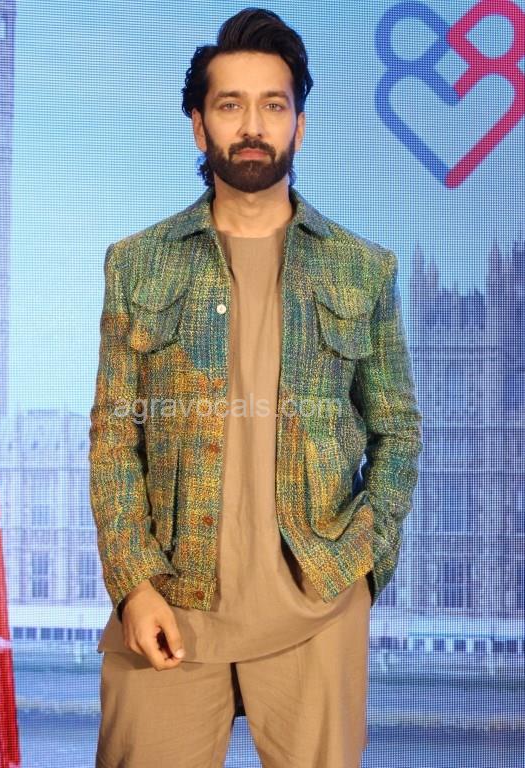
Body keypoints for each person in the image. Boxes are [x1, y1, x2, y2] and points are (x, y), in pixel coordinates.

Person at [89, 7, 422, 768]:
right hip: (169, 604)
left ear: (300, 125)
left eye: (273, 105)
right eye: (229, 105)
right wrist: (133, 584)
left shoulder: (361, 268)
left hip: (317, 608)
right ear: (197, 125)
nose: (252, 126)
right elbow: (113, 437)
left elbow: (397, 429)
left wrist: (363, 564)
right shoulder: (136, 264)